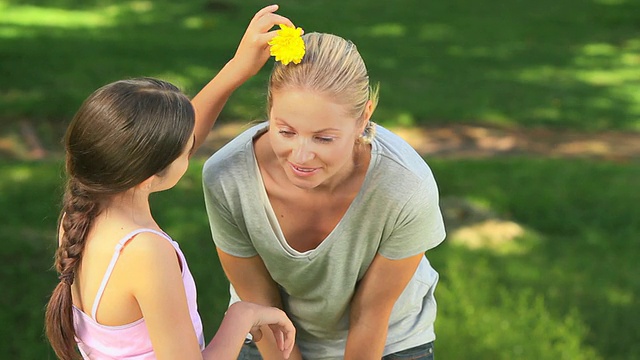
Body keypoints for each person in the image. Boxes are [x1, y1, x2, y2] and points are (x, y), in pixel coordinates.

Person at [44, 5, 298, 360]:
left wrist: (236, 70)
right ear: (149, 175)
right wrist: (242, 315)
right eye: (187, 148)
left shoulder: (79, 221)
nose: (194, 145)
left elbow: (167, 141)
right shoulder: (146, 253)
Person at [202, 31, 447, 360]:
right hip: (269, 333)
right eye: (286, 131)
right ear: (270, 110)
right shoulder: (227, 177)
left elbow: (370, 314)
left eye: (324, 139)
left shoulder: (405, 188)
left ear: (363, 118)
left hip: (389, 341)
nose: (301, 156)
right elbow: (261, 301)